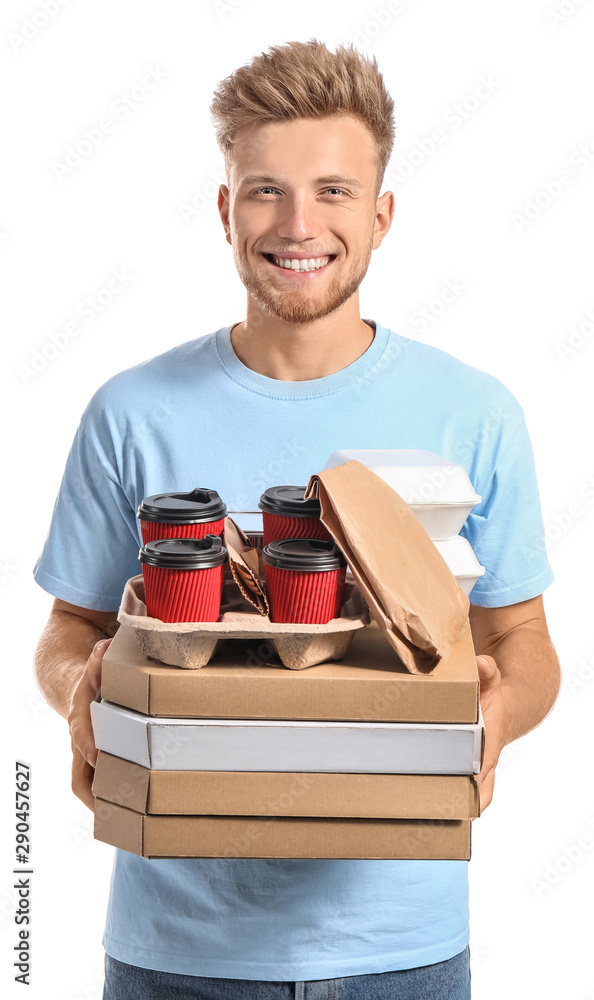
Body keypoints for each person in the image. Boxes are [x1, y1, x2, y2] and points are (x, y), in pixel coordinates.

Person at [33, 38, 560, 1000]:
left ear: (382, 214)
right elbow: (69, 632)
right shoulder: (131, 410)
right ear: (225, 210)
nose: (298, 222)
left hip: (404, 950)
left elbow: (525, 642)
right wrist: (78, 690)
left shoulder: (474, 413)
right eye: (265, 189)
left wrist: (494, 717)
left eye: (333, 190)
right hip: (176, 953)